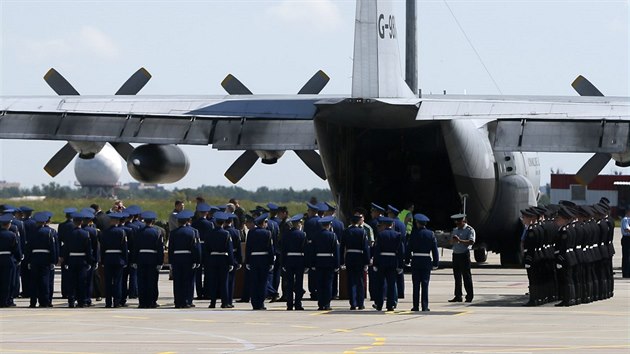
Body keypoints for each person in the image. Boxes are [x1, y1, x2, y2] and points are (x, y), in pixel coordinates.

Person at [406, 214, 439, 312]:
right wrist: (435, 263)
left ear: (417, 223)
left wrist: (407, 260)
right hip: (426, 261)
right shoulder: (431, 234)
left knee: (416, 285)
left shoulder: (413, 234)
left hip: (416, 260)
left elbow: (408, 249)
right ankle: (425, 306)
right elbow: (434, 250)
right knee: (425, 284)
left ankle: (415, 306)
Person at [62, 212, 94, 308]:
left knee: (71, 281)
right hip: (82, 260)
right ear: (81, 222)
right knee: (82, 281)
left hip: (72, 259)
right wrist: (89, 261)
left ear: (74, 222)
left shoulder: (69, 234)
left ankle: (71, 300)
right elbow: (88, 249)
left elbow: (66, 249)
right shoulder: (85, 234)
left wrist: (65, 261)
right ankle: (81, 301)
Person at [25, 212, 57, 308]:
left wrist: (28, 260)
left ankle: (33, 302)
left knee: (34, 281)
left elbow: (28, 248)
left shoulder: (32, 232)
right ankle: (45, 301)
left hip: (34, 258)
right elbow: (53, 248)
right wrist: (53, 260)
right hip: (45, 258)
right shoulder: (49, 232)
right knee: (44, 281)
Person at [372, 216, 404, 311]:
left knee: (380, 284)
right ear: (392, 225)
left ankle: (379, 304)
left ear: (385, 225)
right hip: (393, 261)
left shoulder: (381, 235)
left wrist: (375, 263)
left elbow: (377, 251)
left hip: (382, 261)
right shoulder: (397, 235)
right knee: (391, 284)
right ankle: (390, 305)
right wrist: (400, 265)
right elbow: (400, 252)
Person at [133, 211, 164, 308]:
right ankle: (152, 301)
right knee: (152, 281)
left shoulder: (138, 232)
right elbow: (160, 249)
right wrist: (160, 261)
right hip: (152, 259)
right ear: (153, 221)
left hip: (141, 258)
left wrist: (134, 260)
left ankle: (142, 302)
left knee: (141, 281)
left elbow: (135, 247)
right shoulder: (157, 232)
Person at [204, 212, 235, 309]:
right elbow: (229, 249)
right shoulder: (226, 234)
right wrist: (231, 262)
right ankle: (224, 302)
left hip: (213, 258)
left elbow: (206, 248)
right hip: (223, 259)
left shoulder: (209, 233)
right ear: (223, 223)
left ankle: (212, 302)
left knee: (213, 282)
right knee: (223, 282)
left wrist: (208, 260)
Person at [340, 213, 370, 310]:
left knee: (351, 281)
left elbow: (342, 247)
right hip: (360, 258)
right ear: (358, 221)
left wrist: (341, 261)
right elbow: (366, 248)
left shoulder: (346, 232)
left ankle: (353, 303)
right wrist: (367, 261)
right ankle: (360, 303)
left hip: (349, 257)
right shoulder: (362, 232)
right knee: (360, 281)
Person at [245, 214, 275, 310]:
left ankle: (254, 303)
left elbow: (248, 248)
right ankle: (261, 303)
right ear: (263, 223)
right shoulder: (267, 233)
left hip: (253, 259)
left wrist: (247, 261)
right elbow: (270, 249)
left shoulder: (251, 232)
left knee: (254, 282)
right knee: (262, 282)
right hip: (264, 260)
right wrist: (271, 262)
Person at [310, 216, 340, 311]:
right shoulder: (333, 235)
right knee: (328, 284)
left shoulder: (316, 235)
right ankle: (327, 304)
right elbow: (336, 251)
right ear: (329, 225)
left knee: (319, 284)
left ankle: (320, 303)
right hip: (329, 262)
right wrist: (337, 264)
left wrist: (313, 263)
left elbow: (312, 251)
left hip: (319, 262)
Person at [100, 213, 128, 308]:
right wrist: (125, 260)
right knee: (117, 281)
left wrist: (102, 260)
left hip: (108, 258)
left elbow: (102, 248)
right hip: (118, 259)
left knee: (108, 282)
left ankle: (108, 302)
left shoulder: (105, 232)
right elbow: (124, 247)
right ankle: (117, 301)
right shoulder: (122, 232)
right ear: (118, 221)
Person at [448, 213, 475, 303]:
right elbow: (451, 242)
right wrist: (453, 240)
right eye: (456, 222)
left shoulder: (469, 230)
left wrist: (460, 240)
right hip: (456, 254)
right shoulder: (455, 230)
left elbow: (471, 241)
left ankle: (469, 296)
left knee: (466, 276)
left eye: (459, 222)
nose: (457, 223)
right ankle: (458, 295)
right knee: (457, 277)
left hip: (464, 254)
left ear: (463, 220)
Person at [0, 213, 22, 308]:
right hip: (8, 260)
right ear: (9, 224)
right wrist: (18, 258)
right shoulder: (11, 235)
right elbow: (16, 249)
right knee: (8, 282)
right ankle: (7, 300)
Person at [621, 209, 630, 278]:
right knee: (626, 256)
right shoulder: (625, 219)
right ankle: (626, 273)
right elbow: (626, 229)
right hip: (627, 239)